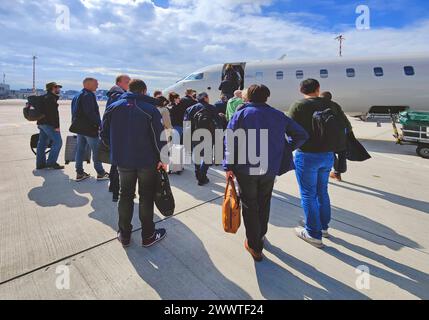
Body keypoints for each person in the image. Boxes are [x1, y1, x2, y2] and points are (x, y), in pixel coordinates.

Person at [223, 84, 308, 262]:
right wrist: (284, 148)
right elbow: (301, 134)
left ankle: (254, 245)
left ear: (248, 97)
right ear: (267, 97)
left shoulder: (241, 114)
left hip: (246, 168)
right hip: (269, 168)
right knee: (264, 202)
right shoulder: (277, 115)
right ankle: (260, 235)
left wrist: (228, 166)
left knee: (249, 204)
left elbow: (230, 141)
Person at [101, 79, 168, 248]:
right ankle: (148, 235)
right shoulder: (150, 109)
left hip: (123, 161)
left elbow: (104, 134)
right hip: (147, 161)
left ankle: (124, 234)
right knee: (146, 197)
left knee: (125, 195)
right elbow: (158, 137)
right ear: (144, 91)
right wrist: (163, 158)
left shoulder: (113, 106)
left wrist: (118, 149)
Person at [289, 79, 336, 248]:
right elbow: (344, 128)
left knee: (308, 194)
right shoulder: (331, 105)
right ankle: (323, 227)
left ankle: (313, 233)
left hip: (307, 155)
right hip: (328, 155)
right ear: (318, 89)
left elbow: (289, 130)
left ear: (301, 90)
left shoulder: (298, 106)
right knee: (322, 191)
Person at [71, 78, 109, 182]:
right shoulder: (89, 95)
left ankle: (79, 173)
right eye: (96, 84)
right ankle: (101, 173)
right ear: (88, 84)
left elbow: (74, 112)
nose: (98, 86)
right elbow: (91, 113)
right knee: (96, 151)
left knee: (80, 149)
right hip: (89, 129)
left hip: (80, 128)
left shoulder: (77, 95)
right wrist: (100, 125)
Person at [184, 92, 221, 186]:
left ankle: (198, 174)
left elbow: (186, 124)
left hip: (194, 135)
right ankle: (202, 176)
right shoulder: (212, 108)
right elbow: (218, 122)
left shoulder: (190, 109)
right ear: (205, 98)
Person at [106, 75, 131, 202]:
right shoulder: (118, 96)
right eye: (127, 82)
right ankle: (116, 192)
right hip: (119, 135)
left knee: (115, 163)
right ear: (119, 83)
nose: (129, 84)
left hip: (115, 135)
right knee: (119, 165)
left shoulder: (115, 95)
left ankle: (113, 188)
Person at [320, 91, 353, 182]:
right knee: (342, 153)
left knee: (331, 153)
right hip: (341, 133)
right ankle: (338, 173)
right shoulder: (336, 105)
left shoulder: (319, 105)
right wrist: (349, 131)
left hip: (329, 135)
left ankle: (332, 172)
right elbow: (344, 119)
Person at [36, 82, 64, 170]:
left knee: (42, 143)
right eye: (58, 87)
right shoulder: (50, 98)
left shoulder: (45, 97)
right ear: (53, 88)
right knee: (58, 142)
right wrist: (56, 126)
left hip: (41, 123)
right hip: (48, 124)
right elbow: (53, 114)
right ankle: (51, 162)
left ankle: (40, 164)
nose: (59, 89)